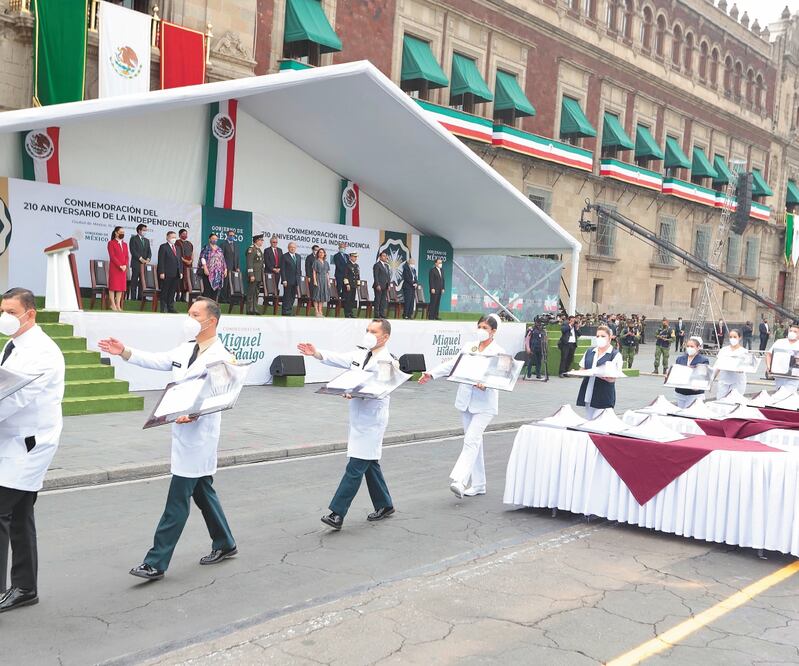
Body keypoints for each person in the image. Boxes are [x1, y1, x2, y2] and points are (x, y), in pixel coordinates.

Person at [98, 298, 238, 581]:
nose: (189, 318)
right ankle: (225, 542)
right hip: (181, 431)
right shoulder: (186, 349)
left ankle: (156, 561)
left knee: (177, 501)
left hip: (200, 436)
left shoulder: (223, 356)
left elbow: (225, 395)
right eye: (189, 313)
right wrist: (124, 351)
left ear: (211, 321)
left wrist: (196, 413)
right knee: (202, 491)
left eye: (195, 314)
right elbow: (158, 360)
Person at [297, 320, 397, 530]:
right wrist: (316, 353)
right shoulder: (361, 353)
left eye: (374, 331)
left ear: (385, 337)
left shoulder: (389, 361)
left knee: (355, 466)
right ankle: (385, 504)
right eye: (367, 330)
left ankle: (337, 513)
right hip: (358, 416)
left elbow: (383, 389)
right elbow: (340, 359)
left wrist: (355, 390)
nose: (369, 334)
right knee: (369, 463)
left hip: (373, 419)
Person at [0, 288, 65, 611]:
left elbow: (15, 397)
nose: (5, 318)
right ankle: (25, 588)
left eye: (11, 312)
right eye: (2, 311)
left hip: (29, 444)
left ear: (30, 313)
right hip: (11, 441)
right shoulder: (14, 345)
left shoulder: (43, 352)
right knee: (21, 513)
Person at [419, 315, 504, 497]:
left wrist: (488, 382)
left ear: (493, 331)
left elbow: (503, 375)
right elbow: (453, 364)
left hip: (484, 404)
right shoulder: (469, 347)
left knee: (471, 440)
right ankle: (479, 484)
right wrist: (432, 374)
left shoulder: (499, 351)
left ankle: (460, 480)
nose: (481, 330)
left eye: (485, 328)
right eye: (479, 326)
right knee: (475, 442)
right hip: (465, 401)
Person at [576, 325, 623, 419]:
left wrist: (600, 374)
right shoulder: (590, 351)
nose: (599, 338)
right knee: (589, 420)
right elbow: (582, 369)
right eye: (597, 336)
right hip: (588, 392)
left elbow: (613, 379)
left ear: (610, 338)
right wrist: (577, 373)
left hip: (603, 394)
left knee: (601, 422)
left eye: (603, 336)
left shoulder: (615, 355)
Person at [673, 336, 710, 408]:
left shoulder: (703, 360)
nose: (689, 348)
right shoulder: (680, 359)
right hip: (680, 392)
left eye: (692, 346)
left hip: (695, 394)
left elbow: (703, 376)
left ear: (698, 347)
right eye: (688, 346)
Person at [714, 328, 750, 399]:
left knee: (734, 402)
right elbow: (717, 366)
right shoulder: (724, 350)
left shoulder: (744, 351)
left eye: (735, 337)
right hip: (724, 380)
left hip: (737, 382)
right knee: (720, 401)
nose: (732, 339)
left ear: (739, 338)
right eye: (730, 337)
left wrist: (742, 369)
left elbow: (746, 366)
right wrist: (711, 379)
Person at [766, 323, 799, 391]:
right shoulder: (780, 342)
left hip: (794, 376)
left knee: (788, 392)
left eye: (795, 331)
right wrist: (769, 367)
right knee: (779, 391)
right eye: (791, 331)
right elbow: (769, 354)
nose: (792, 333)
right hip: (779, 374)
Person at [157, 231, 182, 314]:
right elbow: (161, 260)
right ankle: (163, 308)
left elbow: (179, 261)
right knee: (165, 291)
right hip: (166, 273)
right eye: (172, 237)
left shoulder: (177, 248)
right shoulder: (163, 247)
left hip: (176, 273)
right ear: (167, 237)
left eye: (175, 237)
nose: (174, 239)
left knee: (172, 291)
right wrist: (161, 272)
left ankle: (170, 307)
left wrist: (181, 272)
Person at [198, 233, 227, 300]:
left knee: (215, 292)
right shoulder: (206, 248)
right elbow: (202, 258)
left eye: (216, 239)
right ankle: (205, 307)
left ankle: (212, 308)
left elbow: (222, 259)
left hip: (217, 274)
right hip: (208, 272)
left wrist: (225, 269)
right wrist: (205, 268)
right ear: (209, 239)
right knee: (207, 291)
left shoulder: (219, 249)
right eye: (213, 238)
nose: (214, 240)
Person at [107, 225, 129, 312]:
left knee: (120, 287)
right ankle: (112, 304)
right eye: (121, 232)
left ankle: (118, 305)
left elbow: (127, 256)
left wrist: (125, 265)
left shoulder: (125, 244)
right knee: (113, 287)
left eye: (123, 233)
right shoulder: (111, 243)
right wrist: (120, 265)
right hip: (115, 268)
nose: (122, 234)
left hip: (123, 269)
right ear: (116, 233)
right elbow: (112, 256)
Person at [129, 223, 151, 301]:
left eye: (146, 230)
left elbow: (149, 252)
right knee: (134, 281)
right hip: (136, 264)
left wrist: (148, 259)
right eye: (144, 230)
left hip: (144, 265)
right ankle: (133, 298)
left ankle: (140, 297)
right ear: (139, 230)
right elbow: (133, 251)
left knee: (142, 282)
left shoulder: (147, 240)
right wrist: (140, 258)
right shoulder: (133, 239)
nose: (145, 232)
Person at [245, 234, 265, 315]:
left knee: (256, 293)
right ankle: (249, 309)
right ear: (257, 240)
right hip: (253, 275)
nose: (262, 242)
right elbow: (249, 263)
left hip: (259, 275)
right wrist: (251, 275)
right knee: (251, 292)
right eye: (261, 240)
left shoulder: (259, 250)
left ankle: (254, 308)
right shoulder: (251, 249)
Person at [281, 242, 302, 316]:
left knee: (293, 296)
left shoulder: (298, 256)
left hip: (296, 280)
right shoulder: (284, 256)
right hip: (287, 280)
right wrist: (284, 280)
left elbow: (299, 269)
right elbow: (282, 269)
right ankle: (285, 312)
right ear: (288, 248)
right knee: (287, 296)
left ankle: (289, 311)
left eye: (294, 247)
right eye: (291, 247)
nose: (292, 248)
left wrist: (299, 280)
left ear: (295, 248)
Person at [220, 230, 240, 303]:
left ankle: (229, 298)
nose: (232, 237)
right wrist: (223, 267)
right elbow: (221, 257)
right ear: (227, 236)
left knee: (231, 284)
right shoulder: (223, 244)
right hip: (226, 268)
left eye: (233, 236)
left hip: (234, 268)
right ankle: (223, 299)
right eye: (230, 235)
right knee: (225, 284)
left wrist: (237, 267)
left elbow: (237, 257)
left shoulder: (236, 245)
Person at [176, 228, 194, 303]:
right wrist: (185, 261)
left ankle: (184, 297)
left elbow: (192, 253)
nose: (185, 235)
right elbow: (177, 254)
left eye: (186, 234)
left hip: (188, 266)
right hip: (181, 264)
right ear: (180, 235)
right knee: (180, 281)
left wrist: (191, 260)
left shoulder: (189, 243)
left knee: (187, 281)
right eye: (183, 234)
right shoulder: (177, 242)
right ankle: (177, 297)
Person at [312, 248, 331, 317]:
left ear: (324, 254)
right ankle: (316, 311)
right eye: (320, 252)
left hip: (324, 280)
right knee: (317, 295)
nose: (321, 254)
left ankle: (320, 311)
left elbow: (327, 273)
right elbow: (314, 272)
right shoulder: (316, 261)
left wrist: (328, 282)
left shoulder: (326, 262)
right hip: (318, 278)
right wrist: (314, 280)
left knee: (322, 296)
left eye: (322, 252)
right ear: (318, 254)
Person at [373, 251, 391, 319]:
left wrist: (388, 285)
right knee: (378, 300)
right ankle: (377, 314)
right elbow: (376, 276)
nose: (385, 257)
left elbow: (388, 276)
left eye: (386, 256)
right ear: (380, 257)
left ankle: (382, 314)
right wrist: (377, 284)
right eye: (383, 256)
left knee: (383, 300)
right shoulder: (377, 265)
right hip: (379, 286)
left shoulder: (386, 265)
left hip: (385, 286)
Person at [342, 252, 360, 318]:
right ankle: (347, 313)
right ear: (350, 257)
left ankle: (351, 313)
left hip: (354, 285)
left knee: (352, 300)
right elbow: (345, 275)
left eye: (356, 257)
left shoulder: (356, 266)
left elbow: (357, 276)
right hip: (348, 285)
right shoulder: (347, 265)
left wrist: (358, 284)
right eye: (354, 257)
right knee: (348, 299)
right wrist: (347, 284)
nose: (355, 258)